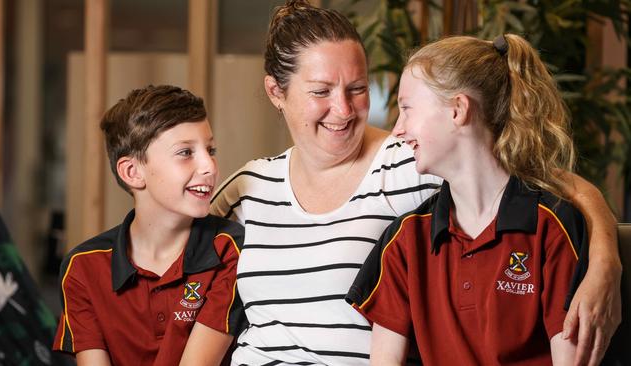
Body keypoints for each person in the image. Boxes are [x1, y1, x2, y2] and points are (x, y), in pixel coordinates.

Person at [181, 1, 621, 365]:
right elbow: (168, 252)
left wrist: (604, 265)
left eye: (356, 89)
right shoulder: (249, 187)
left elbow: (552, 184)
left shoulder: (415, 162)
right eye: (321, 92)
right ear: (277, 92)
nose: (344, 109)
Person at [346, 34, 602, 365]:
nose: (397, 129)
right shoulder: (404, 242)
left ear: (458, 110)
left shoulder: (552, 226)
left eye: (406, 109)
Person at [52, 85, 245, 366]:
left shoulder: (232, 249)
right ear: (132, 172)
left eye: (210, 149)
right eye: (185, 152)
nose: (210, 166)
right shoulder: (82, 268)